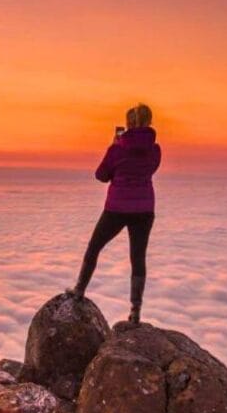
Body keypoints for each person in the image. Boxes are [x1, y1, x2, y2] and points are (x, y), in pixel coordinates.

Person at [67, 103, 161, 324]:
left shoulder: (117, 149)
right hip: (145, 209)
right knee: (138, 258)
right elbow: (150, 169)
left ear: (128, 123)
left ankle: (79, 290)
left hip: (117, 208)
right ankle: (135, 311)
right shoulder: (155, 150)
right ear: (148, 122)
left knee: (94, 247)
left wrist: (115, 145)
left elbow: (101, 175)